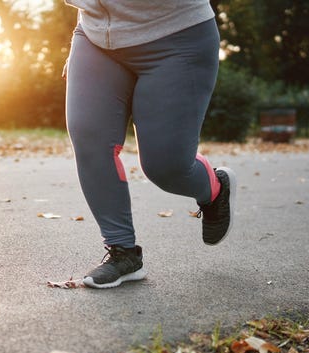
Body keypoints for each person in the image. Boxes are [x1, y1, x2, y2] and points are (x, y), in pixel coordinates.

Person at [63, 0, 237, 289]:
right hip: (95, 36)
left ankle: (214, 188)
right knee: (89, 137)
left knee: (165, 167)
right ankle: (123, 252)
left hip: (177, 35)